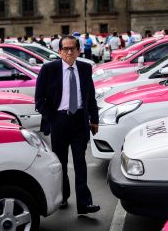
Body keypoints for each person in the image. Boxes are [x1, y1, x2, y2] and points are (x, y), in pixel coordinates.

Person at [35, 35, 100, 215]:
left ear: (79, 50)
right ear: (59, 51)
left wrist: (94, 120)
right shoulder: (49, 69)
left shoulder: (86, 69)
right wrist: (53, 119)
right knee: (61, 163)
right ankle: (63, 196)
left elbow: (91, 97)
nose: (69, 52)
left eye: (73, 48)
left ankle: (85, 203)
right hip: (59, 122)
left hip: (79, 121)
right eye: (65, 49)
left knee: (81, 162)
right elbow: (39, 101)